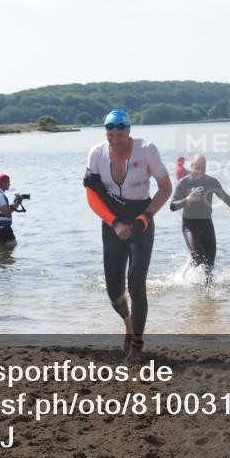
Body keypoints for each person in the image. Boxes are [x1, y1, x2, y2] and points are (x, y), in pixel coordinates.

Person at [83, 110, 172, 361]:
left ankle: (137, 346)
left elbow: (165, 188)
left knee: (135, 282)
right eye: (110, 135)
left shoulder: (146, 149)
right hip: (111, 221)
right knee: (114, 293)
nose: (114, 140)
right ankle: (128, 324)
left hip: (141, 218)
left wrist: (146, 217)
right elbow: (91, 195)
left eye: (119, 135)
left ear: (128, 131)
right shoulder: (96, 153)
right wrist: (114, 223)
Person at [169, 154, 230, 283]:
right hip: (189, 225)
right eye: (197, 167)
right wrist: (187, 200)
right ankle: (184, 276)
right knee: (197, 257)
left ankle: (209, 293)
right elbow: (172, 206)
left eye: (203, 168)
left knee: (209, 264)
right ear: (191, 167)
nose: (200, 171)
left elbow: (225, 197)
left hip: (206, 224)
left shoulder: (211, 182)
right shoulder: (184, 183)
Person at [0, 173, 25, 248]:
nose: (9, 184)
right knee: (12, 245)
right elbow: (7, 213)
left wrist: (15, 203)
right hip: (3, 228)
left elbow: (4, 210)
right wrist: (17, 202)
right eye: (8, 182)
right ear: (4, 183)